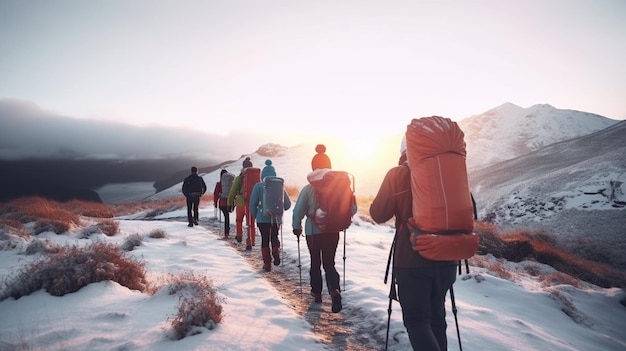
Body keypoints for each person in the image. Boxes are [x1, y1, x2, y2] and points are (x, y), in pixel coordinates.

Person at [369, 137, 457, 351]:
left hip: (412, 260)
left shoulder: (398, 174)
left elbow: (378, 214)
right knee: (437, 319)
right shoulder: (449, 173)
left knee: (417, 321)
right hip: (447, 259)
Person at [292, 149, 346, 313]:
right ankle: (334, 291)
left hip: (313, 232)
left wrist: (296, 227)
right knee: (329, 263)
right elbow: (354, 207)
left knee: (316, 262)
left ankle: (317, 294)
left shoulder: (309, 188)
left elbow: (298, 211)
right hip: (333, 230)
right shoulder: (339, 186)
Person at [249, 159, 291, 272]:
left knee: (265, 239)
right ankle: (276, 251)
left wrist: (255, 215)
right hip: (276, 218)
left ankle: (267, 264)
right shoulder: (279, 186)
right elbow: (287, 204)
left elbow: (252, 203)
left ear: (263, 175)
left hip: (262, 219)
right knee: (274, 236)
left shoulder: (258, 186)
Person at [228, 157, 256, 247]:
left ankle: (239, 235)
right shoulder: (255, 176)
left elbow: (233, 191)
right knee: (251, 222)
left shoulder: (240, 177)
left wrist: (230, 203)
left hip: (241, 202)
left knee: (239, 220)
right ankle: (252, 241)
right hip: (252, 202)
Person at [213, 169, 231, 238]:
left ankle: (226, 232)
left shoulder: (219, 184)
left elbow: (216, 194)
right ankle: (227, 231)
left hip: (222, 203)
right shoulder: (230, 184)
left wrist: (215, 203)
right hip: (229, 202)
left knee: (226, 216)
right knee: (227, 216)